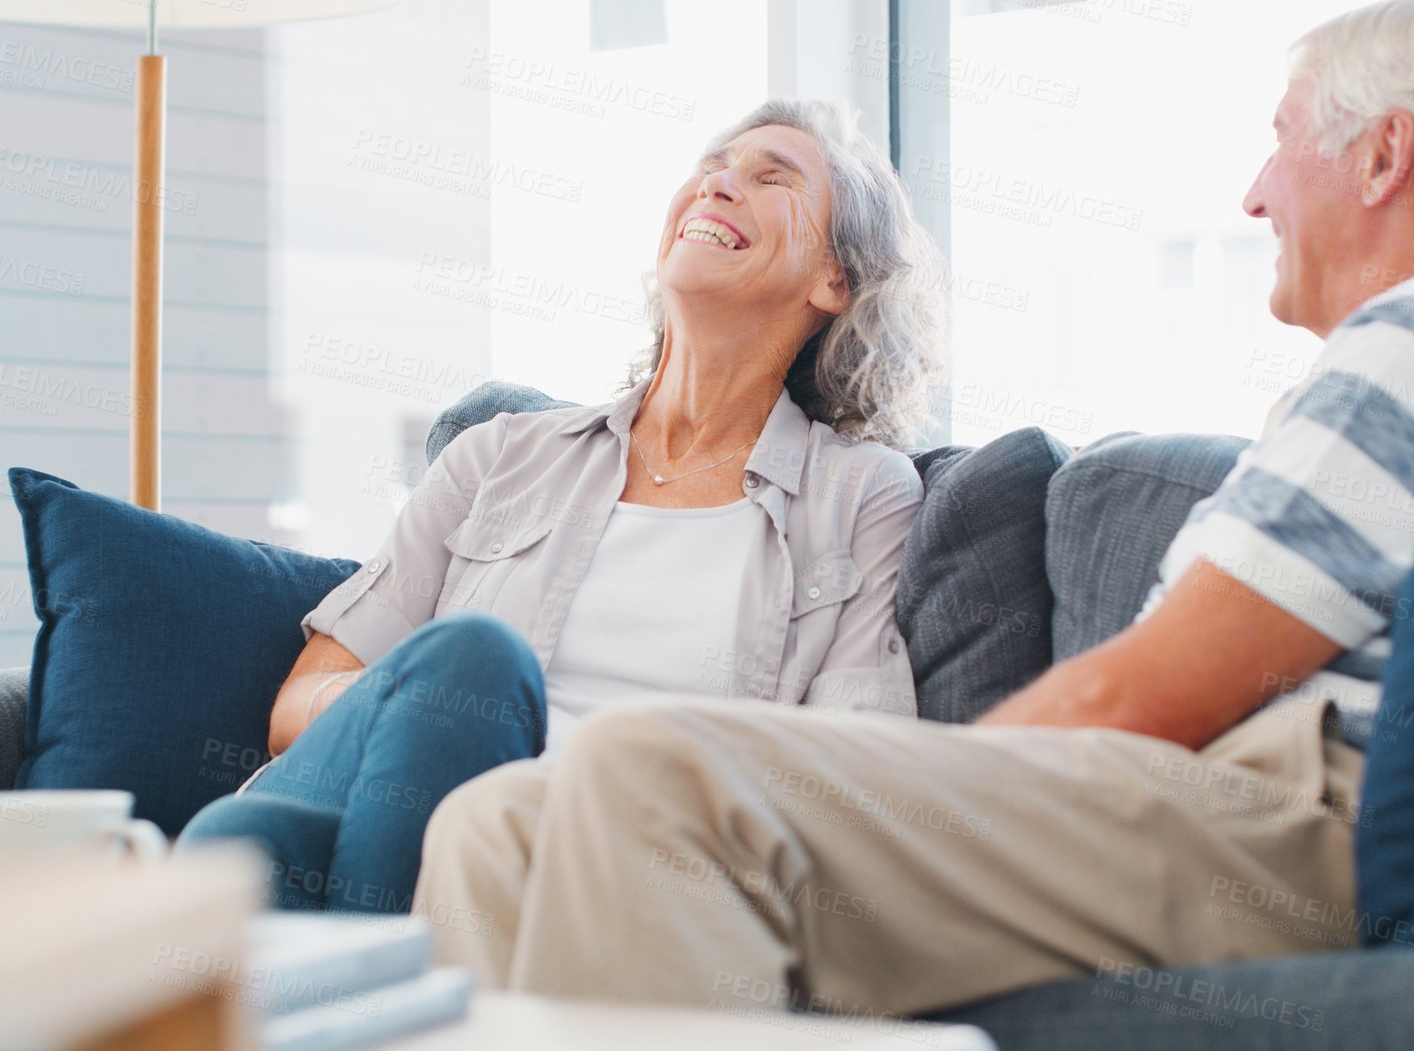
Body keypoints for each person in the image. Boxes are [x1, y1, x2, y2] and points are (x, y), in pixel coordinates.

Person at [412, 0, 1414, 1013]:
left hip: (1289, 826)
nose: (1257, 195)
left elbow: (1146, 692)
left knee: (653, 774)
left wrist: (894, 812)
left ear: (1382, 154)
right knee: (499, 822)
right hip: (1238, 807)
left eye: (1281, 139)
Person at [175, 98, 947, 914]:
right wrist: (430, 716)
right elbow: (296, 711)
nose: (719, 185)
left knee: (249, 853)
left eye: (771, 176)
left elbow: (851, 774)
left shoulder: (859, 495)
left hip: (601, 873)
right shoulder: (501, 454)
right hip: (376, 807)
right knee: (450, 681)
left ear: (836, 280)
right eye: (713, 167)